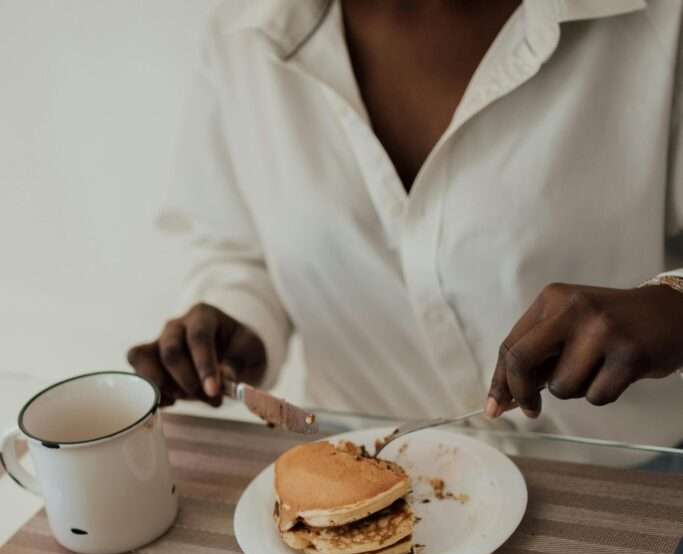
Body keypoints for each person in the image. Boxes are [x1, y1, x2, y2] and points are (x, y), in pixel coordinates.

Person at [128, 0, 683, 445]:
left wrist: (674, 308)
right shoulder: (244, 32)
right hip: (355, 472)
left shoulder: (657, 21)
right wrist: (238, 317)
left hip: (623, 484)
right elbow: (235, 249)